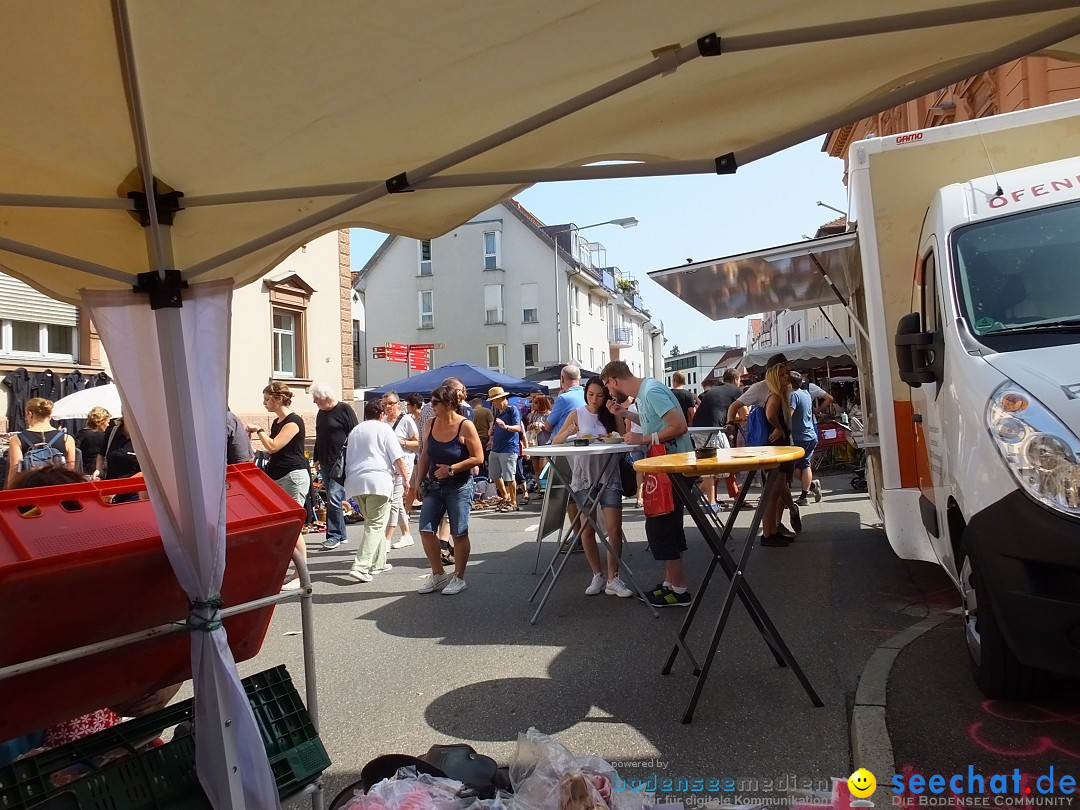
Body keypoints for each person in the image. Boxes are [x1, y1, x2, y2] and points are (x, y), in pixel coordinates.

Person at [0, 465, 181, 767]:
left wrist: (158, 685)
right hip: (62, 738)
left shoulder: (95, 576)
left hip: (75, 735)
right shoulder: (104, 573)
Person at [601, 360, 692, 608]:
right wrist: (624, 414)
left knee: (662, 527)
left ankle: (680, 590)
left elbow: (679, 426)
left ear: (613, 380)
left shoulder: (649, 391)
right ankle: (670, 585)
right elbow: (654, 419)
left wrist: (645, 438)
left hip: (672, 466)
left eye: (607, 386)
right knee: (665, 526)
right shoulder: (647, 390)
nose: (608, 392)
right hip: (667, 466)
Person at [551, 376, 632, 597]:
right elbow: (555, 442)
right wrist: (568, 433)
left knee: (614, 529)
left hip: (609, 474)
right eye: (590, 394)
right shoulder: (577, 412)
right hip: (584, 475)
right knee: (588, 529)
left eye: (599, 395)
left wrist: (617, 429)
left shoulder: (611, 413)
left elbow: (624, 439)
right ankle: (597, 575)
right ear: (585, 393)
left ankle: (613, 578)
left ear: (606, 395)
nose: (595, 399)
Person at [406, 384, 484, 595]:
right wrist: (418, 482)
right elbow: (425, 455)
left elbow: (478, 457)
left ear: (449, 403)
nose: (431, 407)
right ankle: (439, 574)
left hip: (458, 485)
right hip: (433, 485)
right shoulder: (430, 423)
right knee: (425, 530)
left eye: (435, 403)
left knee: (459, 533)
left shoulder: (465, 426)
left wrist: (452, 469)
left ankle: (458, 577)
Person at [247, 381, 309, 590]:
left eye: (267, 399)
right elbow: (271, 451)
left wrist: (260, 431)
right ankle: (295, 571)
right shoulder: (277, 423)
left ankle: (302, 574)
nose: (264, 403)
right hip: (280, 475)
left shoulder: (293, 422)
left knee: (293, 525)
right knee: (287, 524)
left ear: (277, 399)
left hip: (293, 476)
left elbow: (274, 446)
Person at [342, 399, 408, 582]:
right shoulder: (385, 428)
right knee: (376, 525)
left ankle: (378, 563)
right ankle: (361, 565)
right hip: (379, 481)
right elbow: (398, 458)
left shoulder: (355, 431)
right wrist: (406, 479)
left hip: (355, 482)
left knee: (372, 523)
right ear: (382, 414)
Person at [310, 382, 359, 551]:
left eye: (316, 399)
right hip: (325, 461)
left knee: (333, 498)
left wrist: (354, 459)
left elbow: (355, 434)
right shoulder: (320, 413)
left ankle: (333, 536)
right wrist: (316, 457)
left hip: (341, 462)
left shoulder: (344, 409)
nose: (315, 402)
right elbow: (319, 436)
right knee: (334, 499)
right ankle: (342, 534)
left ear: (326, 397)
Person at [691, 370, 743, 511]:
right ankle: (712, 504)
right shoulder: (735, 390)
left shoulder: (716, 390)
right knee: (712, 466)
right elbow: (744, 413)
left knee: (723, 464)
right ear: (736, 379)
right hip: (710, 429)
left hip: (699, 428)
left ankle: (694, 496)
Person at [761, 364, 800, 547]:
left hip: (780, 448)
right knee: (772, 492)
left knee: (776, 492)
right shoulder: (775, 395)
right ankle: (768, 534)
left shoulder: (781, 395)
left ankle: (772, 531)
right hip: (776, 448)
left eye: (786, 374)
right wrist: (777, 427)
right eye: (782, 375)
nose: (787, 377)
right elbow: (769, 415)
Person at [6, 397, 77, 487]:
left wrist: (9, 491)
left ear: (30, 414)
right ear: (50, 415)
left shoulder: (17, 439)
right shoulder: (67, 439)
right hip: (58, 489)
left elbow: (15, 471)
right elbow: (71, 470)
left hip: (30, 489)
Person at [382, 390, 419, 550]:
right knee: (396, 500)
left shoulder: (406, 420)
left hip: (405, 462)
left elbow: (418, 443)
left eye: (390, 403)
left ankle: (386, 539)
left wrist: (401, 442)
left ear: (398, 404)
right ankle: (406, 534)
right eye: (384, 404)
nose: (388, 407)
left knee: (394, 499)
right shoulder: (382, 422)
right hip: (389, 465)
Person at [486, 386, 524, 512]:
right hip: (496, 447)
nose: (493, 403)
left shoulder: (512, 410)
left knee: (509, 476)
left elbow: (518, 428)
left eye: (494, 400)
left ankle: (513, 501)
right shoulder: (498, 412)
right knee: (494, 475)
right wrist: (492, 432)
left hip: (508, 447)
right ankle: (506, 497)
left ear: (501, 398)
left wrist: (506, 426)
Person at [789, 372, 822, 506]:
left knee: (796, 467)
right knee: (804, 465)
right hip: (810, 434)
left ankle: (805, 494)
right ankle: (810, 487)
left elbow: (789, 414)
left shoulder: (793, 395)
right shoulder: (806, 393)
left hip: (800, 436)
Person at [541, 365, 585, 439]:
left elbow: (548, 426)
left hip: (562, 443)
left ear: (562, 379)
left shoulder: (563, 398)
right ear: (579, 378)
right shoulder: (587, 396)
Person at [75, 405, 111, 476]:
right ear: (100, 422)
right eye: (107, 422)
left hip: (80, 474)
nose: (108, 425)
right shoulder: (101, 437)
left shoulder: (79, 434)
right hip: (94, 474)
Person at [525, 393, 553, 488]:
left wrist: (541, 425)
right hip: (534, 443)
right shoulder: (533, 414)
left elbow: (550, 429)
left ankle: (545, 488)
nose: (533, 404)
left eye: (536, 402)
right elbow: (527, 427)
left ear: (541, 402)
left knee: (543, 467)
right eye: (532, 402)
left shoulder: (548, 414)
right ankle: (540, 488)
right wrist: (531, 426)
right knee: (536, 468)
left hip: (545, 443)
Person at [470, 396, 493, 476]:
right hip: (485, 439)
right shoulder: (487, 411)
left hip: (474, 440)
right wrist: (491, 440)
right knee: (489, 460)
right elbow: (491, 426)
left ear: (473, 405)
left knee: (478, 461)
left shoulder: (470, 412)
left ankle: (480, 478)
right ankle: (489, 477)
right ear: (481, 404)